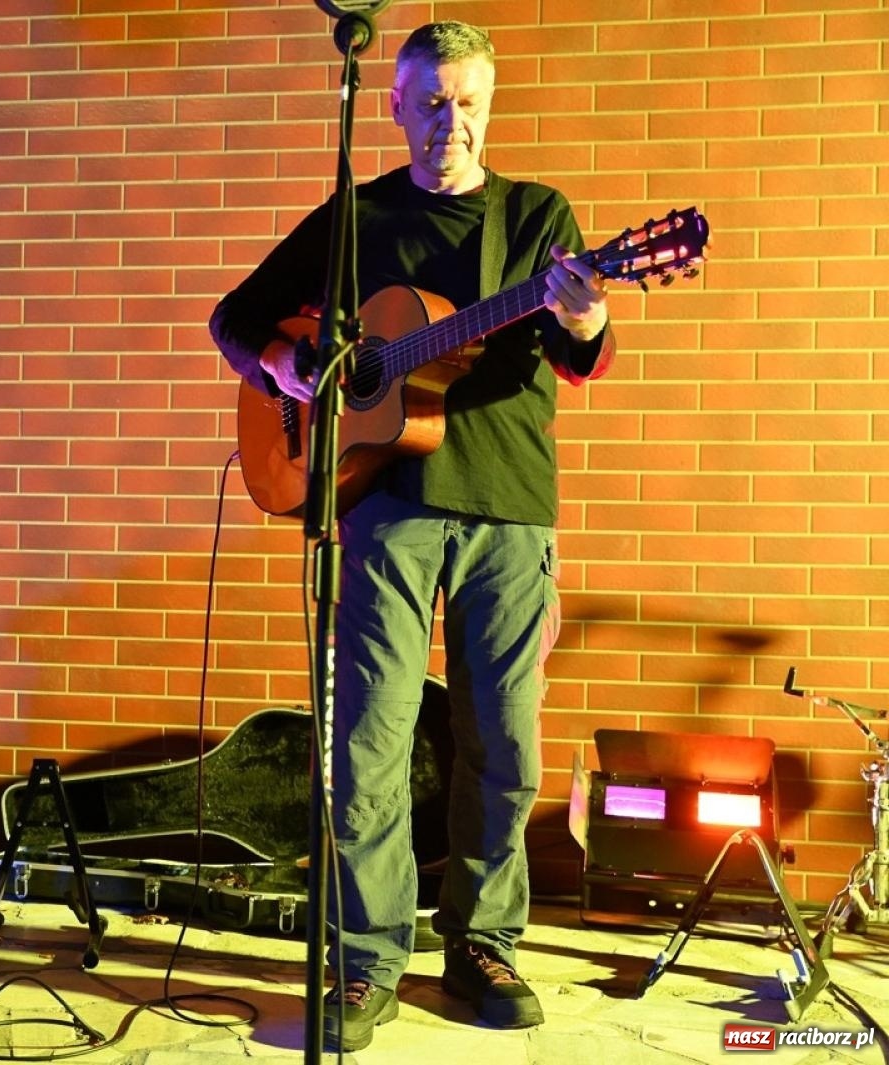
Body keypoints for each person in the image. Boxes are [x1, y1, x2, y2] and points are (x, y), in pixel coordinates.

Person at [210, 21, 615, 1054]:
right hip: (383, 507)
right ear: (392, 105)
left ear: (490, 105)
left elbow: (579, 357)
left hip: (509, 507)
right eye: (431, 101)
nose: (451, 121)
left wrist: (582, 323)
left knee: (504, 742)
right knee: (369, 742)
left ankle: (483, 943)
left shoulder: (537, 217)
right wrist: (290, 372)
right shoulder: (358, 217)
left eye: (468, 101)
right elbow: (236, 317)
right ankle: (366, 957)